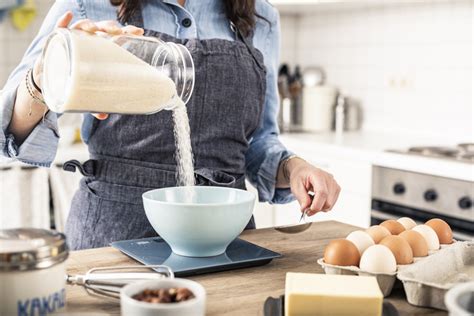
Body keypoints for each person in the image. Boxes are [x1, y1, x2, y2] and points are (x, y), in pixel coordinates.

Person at [0, 0, 341, 250]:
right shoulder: (89, 5)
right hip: (112, 241)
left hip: (224, 243)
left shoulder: (261, 17)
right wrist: (42, 82)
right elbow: (10, 131)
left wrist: (293, 168)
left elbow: (259, 143)